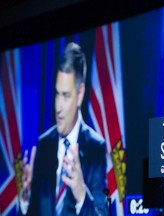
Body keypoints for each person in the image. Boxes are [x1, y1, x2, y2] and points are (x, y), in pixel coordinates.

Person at [19, 42, 108, 215]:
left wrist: (81, 192)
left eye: (66, 96)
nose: (58, 107)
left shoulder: (95, 149)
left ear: (80, 93)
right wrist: (25, 198)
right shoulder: (44, 145)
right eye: (57, 94)